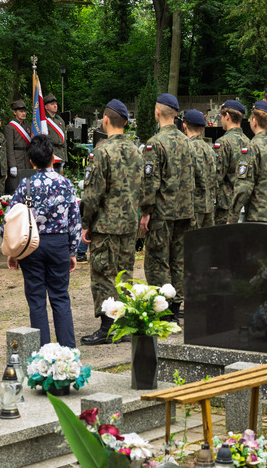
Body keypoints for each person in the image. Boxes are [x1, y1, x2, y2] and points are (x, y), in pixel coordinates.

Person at [5, 135, 80, 347]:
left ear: (31, 161)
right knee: (60, 298)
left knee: (37, 301)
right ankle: (68, 354)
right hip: (58, 245)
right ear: (53, 158)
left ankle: (42, 355)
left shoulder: (26, 185)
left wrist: (14, 252)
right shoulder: (66, 184)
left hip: (31, 246)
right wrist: (72, 251)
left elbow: (11, 219)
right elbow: (74, 220)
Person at [79, 100, 143, 346]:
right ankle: (123, 324)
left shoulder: (102, 151)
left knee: (103, 274)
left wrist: (86, 223)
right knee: (125, 273)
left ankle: (108, 326)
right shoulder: (137, 150)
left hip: (105, 225)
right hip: (129, 224)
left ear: (105, 119)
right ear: (125, 122)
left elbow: (92, 194)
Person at [140, 93, 195, 321]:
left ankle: (163, 309)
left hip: (162, 212)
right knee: (179, 260)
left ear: (157, 112)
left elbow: (150, 182)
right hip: (185, 211)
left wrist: (145, 212)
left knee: (157, 260)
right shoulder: (187, 141)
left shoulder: (155, 143)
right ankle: (176, 307)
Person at [213, 100, 250, 224]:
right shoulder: (249, 142)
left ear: (227, 116)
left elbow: (216, 176)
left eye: (221, 117)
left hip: (225, 205)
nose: (221, 120)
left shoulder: (222, 142)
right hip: (244, 202)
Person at [183, 109, 217, 229]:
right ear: (203, 128)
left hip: (193, 208)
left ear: (184, 126)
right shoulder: (210, 149)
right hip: (209, 206)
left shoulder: (187, 148)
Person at [5, 100, 33, 188]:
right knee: (16, 187)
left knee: (28, 187)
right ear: (14, 112)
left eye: (24, 111)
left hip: (27, 160)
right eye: (21, 111)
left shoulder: (28, 127)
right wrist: (12, 165)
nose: (23, 113)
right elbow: (9, 148)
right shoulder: (9, 127)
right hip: (17, 160)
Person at [44, 94, 67, 169]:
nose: (55, 106)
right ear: (46, 107)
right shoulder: (43, 121)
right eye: (52, 104)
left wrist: (65, 158)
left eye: (56, 104)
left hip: (60, 154)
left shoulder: (60, 120)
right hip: (49, 154)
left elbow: (64, 141)